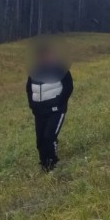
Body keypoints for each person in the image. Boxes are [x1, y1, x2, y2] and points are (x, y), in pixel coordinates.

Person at [25, 43, 74, 172]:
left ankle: (53, 163)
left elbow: (68, 87)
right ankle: (44, 165)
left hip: (56, 111)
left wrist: (59, 103)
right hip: (39, 112)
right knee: (40, 140)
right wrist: (32, 104)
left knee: (49, 137)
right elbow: (29, 89)